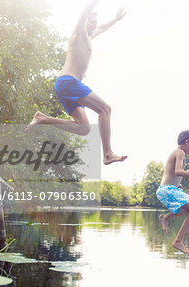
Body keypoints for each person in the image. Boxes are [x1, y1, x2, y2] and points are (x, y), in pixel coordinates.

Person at [26, 0, 127, 165]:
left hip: (66, 87)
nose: (94, 25)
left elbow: (101, 28)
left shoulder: (88, 37)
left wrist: (115, 20)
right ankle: (107, 154)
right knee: (105, 109)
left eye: (95, 23)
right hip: (68, 82)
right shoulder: (78, 32)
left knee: (84, 128)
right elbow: (85, 11)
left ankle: (42, 118)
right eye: (91, 22)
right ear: (85, 21)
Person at [156, 130, 189, 254]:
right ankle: (178, 241)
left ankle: (166, 217)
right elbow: (177, 171)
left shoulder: (177, 153)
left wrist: (178, 185)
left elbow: (172, 175)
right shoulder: (179, 152)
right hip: (167, 190)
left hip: (171, 189)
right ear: (187, 142)